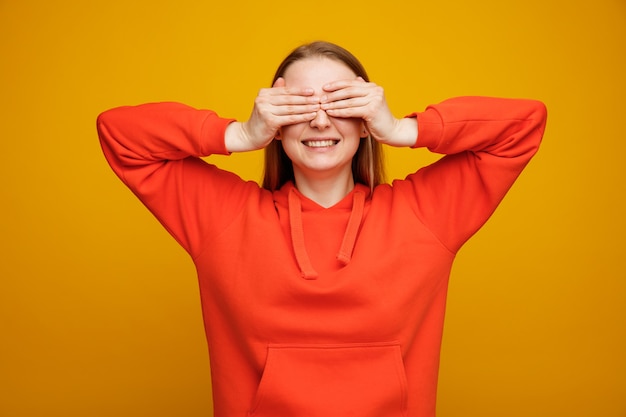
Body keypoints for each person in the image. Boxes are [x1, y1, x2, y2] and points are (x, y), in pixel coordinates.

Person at [97, 41, 547, 417]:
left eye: (340, 103)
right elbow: (118, 133)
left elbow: (524, 125)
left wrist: (401, 128)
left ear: (364, 119)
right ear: (276, 120)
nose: (319, 120)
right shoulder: (226, 217)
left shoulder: (422, 214)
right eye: (297, 105)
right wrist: (240, 134)